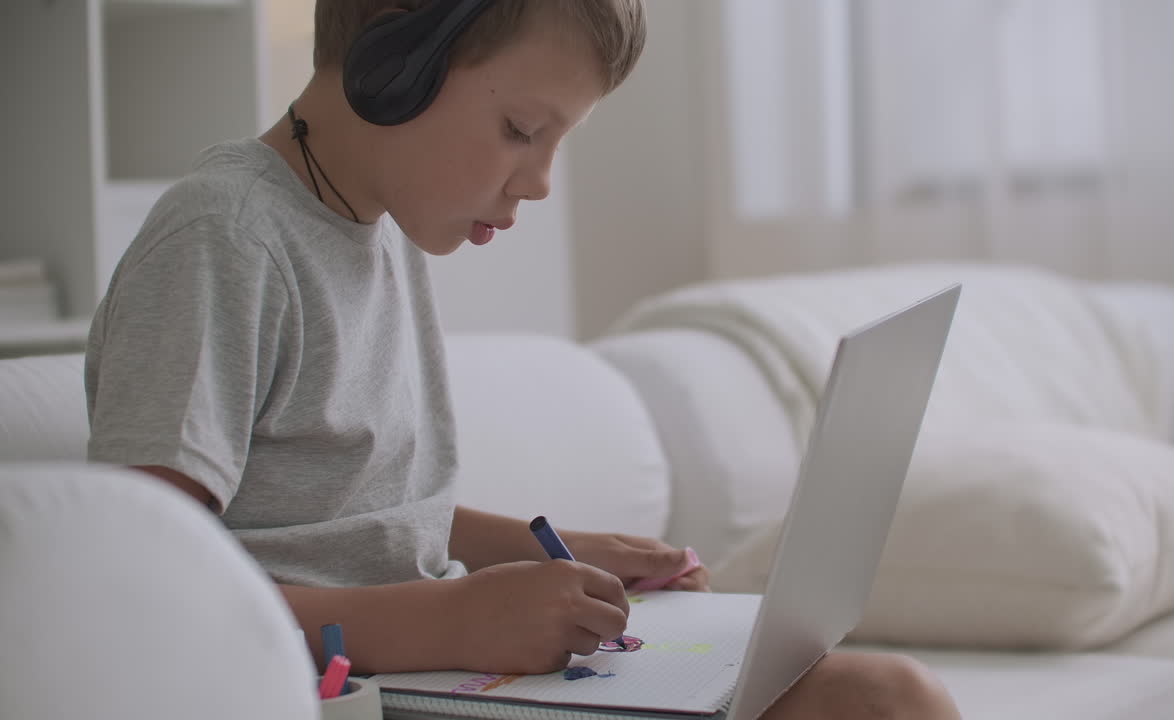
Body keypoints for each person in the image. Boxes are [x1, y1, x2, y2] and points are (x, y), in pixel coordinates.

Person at [84, 1, 961, 717]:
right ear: (395, 64)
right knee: (886, 706)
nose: (540, 182)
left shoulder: (372, 229)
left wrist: (552, 552)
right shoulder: (224, 239)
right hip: (324, 692)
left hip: (430, 676)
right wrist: (449, 621)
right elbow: (143, 590)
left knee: (884, 699)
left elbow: (354, 514)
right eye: (519, 128)